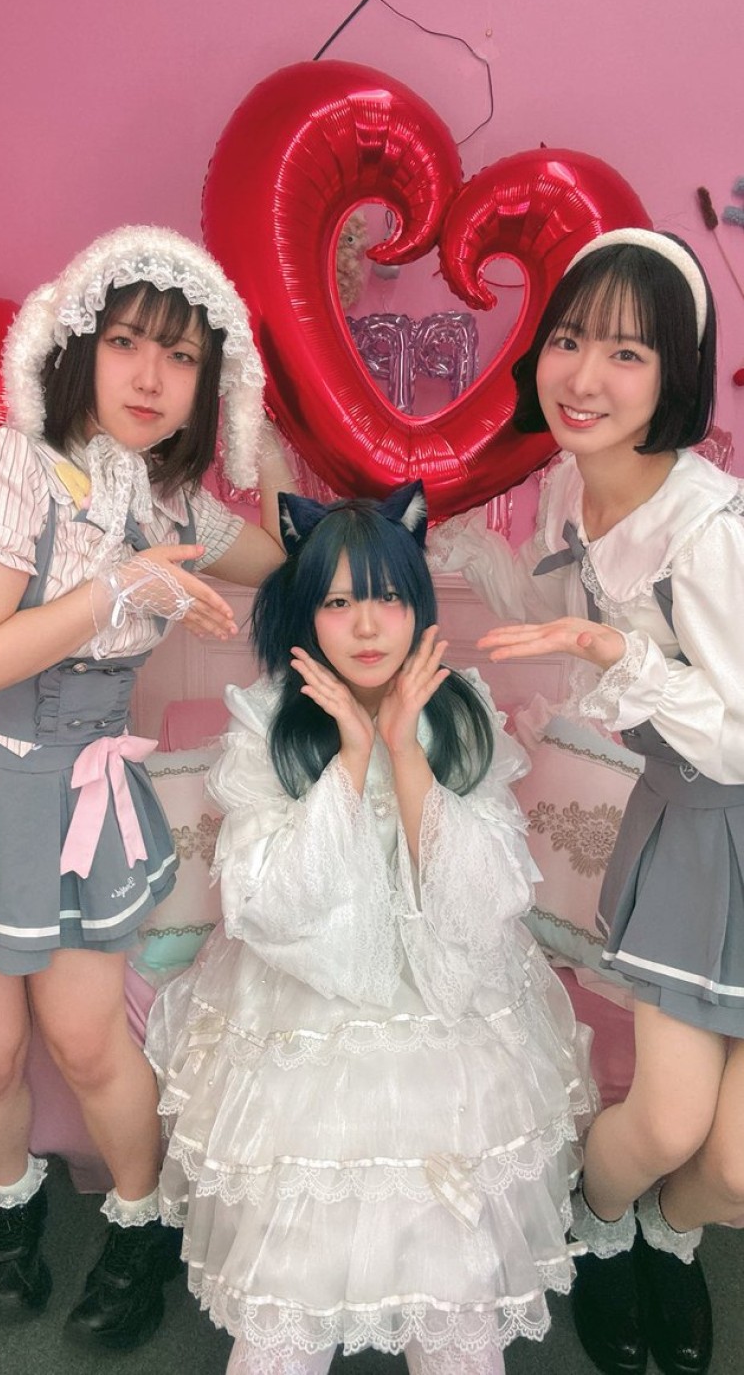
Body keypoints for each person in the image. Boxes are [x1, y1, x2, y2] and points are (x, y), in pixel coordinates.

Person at [145, 481, 595, 1375]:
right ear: (306, 613)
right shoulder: (268, 722)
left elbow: (480, 906)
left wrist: (403, 753)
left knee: (458, 1325)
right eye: (339, 600)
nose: (365, 624)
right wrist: (349, 759)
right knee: (282, 1328)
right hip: (302, 1015)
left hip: (449, 1010)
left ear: (418, 605)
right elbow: (272, 906)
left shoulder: (461, 711)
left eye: (388, 596)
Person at [0, 224, 296, 1350]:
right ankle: (9, 1205)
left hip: (81, 806)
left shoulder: (177, 507)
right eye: (128, 342)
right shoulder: (5, 464)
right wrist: (114, 592)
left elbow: (289, 554)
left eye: (183, 357)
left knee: (91, 1044)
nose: (152, 376)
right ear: (78, 346)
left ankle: (140, 1220)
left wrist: (266, 435)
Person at [427, 227, 740, 1375]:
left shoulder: (709, 531)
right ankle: (604, 1221)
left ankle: (672, 1231)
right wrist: (473, 553)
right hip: (692, 822)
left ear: (673, 376)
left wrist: (619, 654)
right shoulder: (569, 487)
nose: (584, 376)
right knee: (665, 1120)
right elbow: (560, 622)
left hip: (728, 791)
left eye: (625, 353)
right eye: (567, 339)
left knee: (734, 1165)